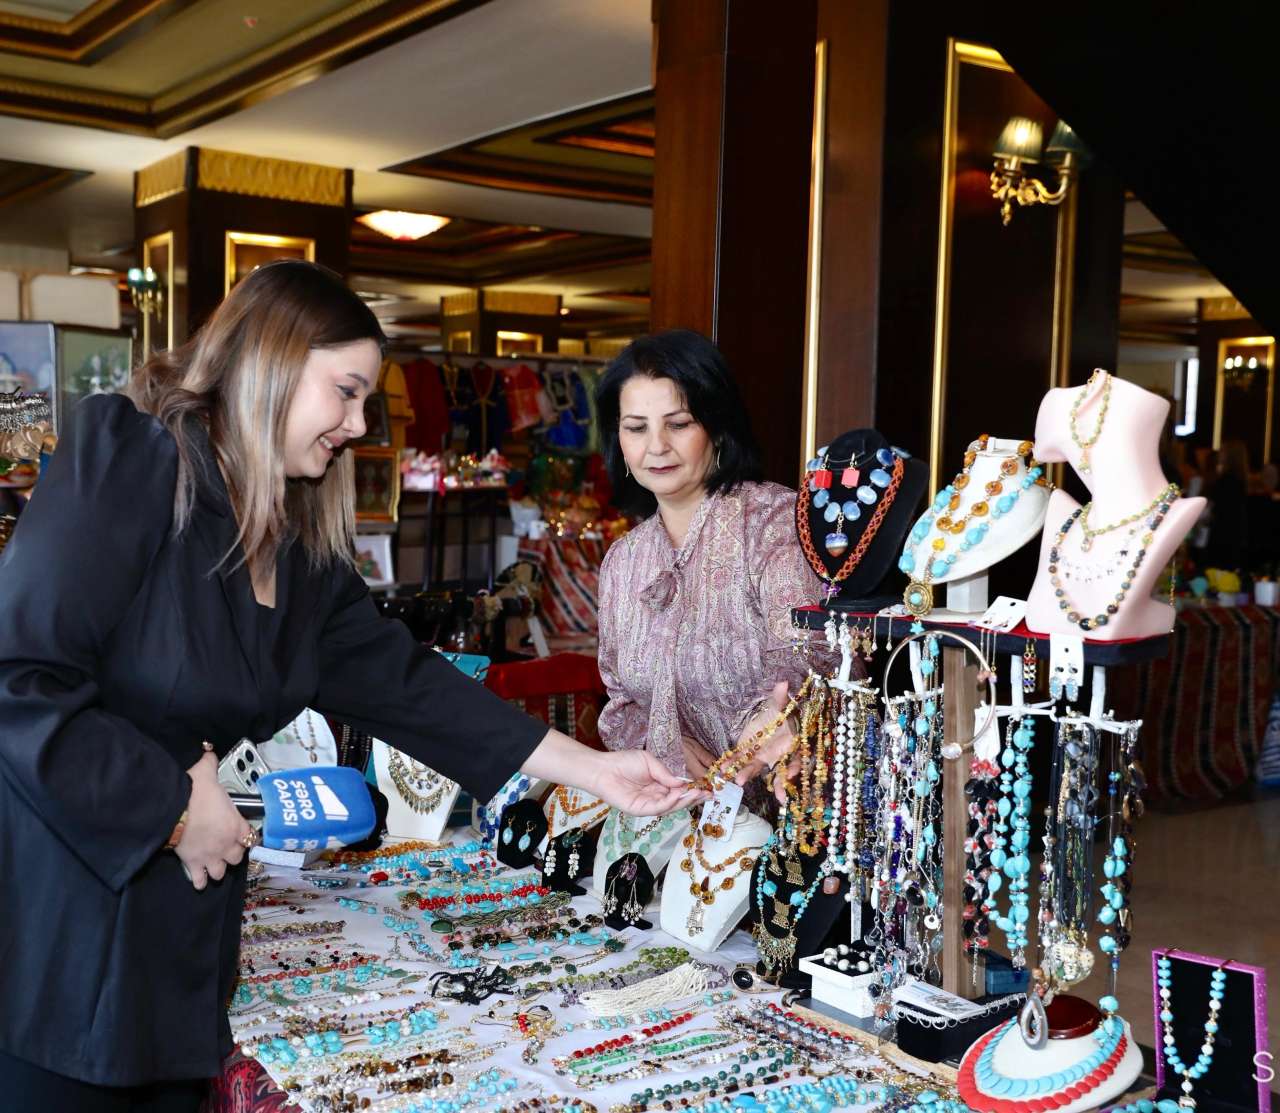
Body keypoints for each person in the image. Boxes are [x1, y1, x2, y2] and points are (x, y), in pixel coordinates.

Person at [0, 261, 697, 1111]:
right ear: (272, 360)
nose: (361, 423)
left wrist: (593, 769)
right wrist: (172, 805)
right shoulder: (134, 460)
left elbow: (408, 685)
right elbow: (19, 677)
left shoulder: (294, 542)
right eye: (347, 391)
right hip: (66, 940)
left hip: (182, 950)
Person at [593, 330, 834, 803]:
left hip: (794, 810)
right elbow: (621, 704)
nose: (656, 446)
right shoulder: (623, 560)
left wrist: (775, 718)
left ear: (718, 427)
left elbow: (810, 654)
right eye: (636, 428)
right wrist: (661, 742)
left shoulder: (775, 523)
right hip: (674, 817)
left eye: (679, 424)